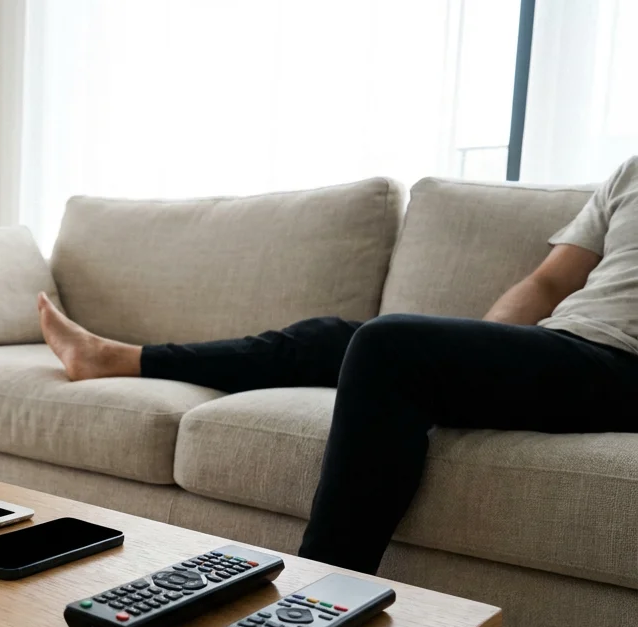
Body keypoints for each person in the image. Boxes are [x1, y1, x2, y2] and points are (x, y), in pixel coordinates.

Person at [38, 156, 638, 574]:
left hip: (623, 368)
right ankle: (114, 358)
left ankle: (319, 589)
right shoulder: (628, 173)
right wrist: (486, 350)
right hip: (569, 349)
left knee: (389, 345)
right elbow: (549, 279)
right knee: (337, 338)